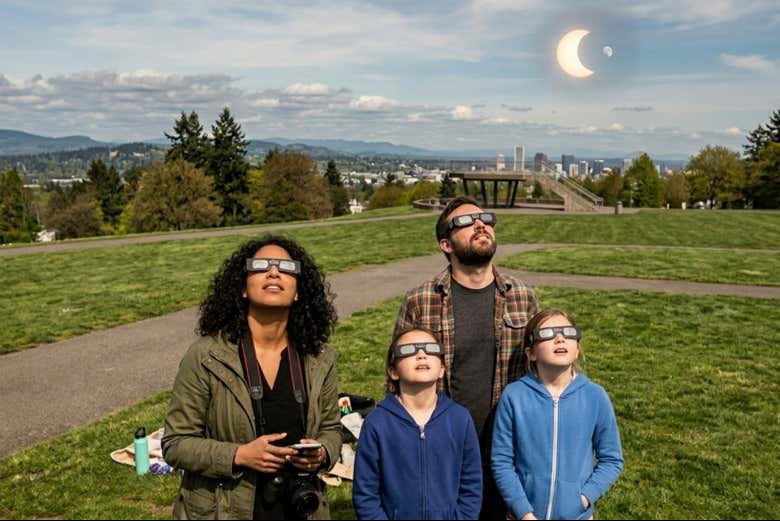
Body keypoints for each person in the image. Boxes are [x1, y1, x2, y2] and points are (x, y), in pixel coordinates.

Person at [162, 235, 342, 520]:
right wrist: (239, 455)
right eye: (261, 266)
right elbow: (175, 443)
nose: (273, 272)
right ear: (243, 288)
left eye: (285, 267)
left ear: (297, 292)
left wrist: (322, 455)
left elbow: (332, 429)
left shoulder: (320, 357)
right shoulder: (206, 356)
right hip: (224, 510)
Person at [394, 195, 539, 519]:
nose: (480, 224)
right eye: (465, 221)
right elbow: (398, 383)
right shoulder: (420, 300)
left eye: (485, 218)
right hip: (442, 450)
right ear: (446, 244)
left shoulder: (523, 297)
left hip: (507, 450)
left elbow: (538, 379)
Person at [491, 309, 624, 520]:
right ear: (531, 353)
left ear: (577, 348)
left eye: (567, 332)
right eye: (548, 334)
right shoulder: (514, 396)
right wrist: (523, 511)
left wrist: (584, 498)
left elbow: (612, 459)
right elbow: (501, 461)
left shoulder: (595, 396)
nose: (559, 338)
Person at [353, 328, 483, 520]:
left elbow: (471, 486)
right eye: (408, 350)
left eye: (431, 349)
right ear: (393, 372)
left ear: (441, 370)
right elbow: (365, 494)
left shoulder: (460, 419)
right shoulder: (377, 423)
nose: (421, 354)